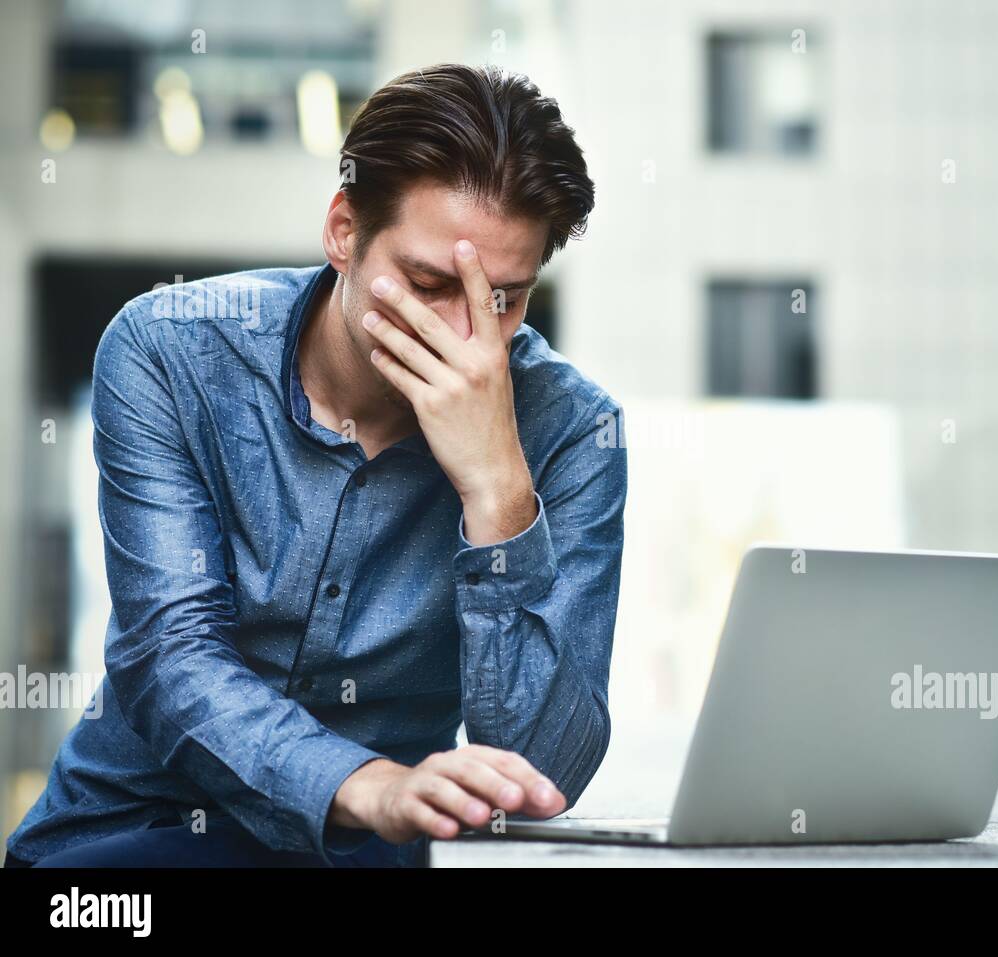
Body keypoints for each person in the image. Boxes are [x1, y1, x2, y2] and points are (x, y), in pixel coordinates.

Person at [4, 64, 625, 868]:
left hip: (363, 860)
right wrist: (367, 784)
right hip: (129, 835)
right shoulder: (169, 351)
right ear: (342, 231)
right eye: (430, 282)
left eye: (502, 298)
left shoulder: (573, 430)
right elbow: (172, 659)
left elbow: (545, 772)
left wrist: (499, 488)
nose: (464, 334)